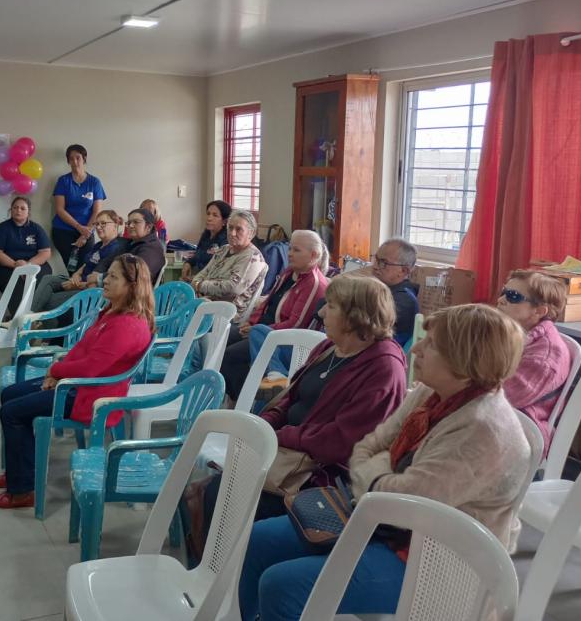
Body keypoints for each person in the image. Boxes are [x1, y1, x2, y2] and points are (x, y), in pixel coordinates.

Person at [238, 304, 531, 620]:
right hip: (382, 524)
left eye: (430, 344)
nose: (416, 348)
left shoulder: (483, 430)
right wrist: (379, 477)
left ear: (464, 358)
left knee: (282, 585)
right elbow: (369, 445)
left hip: (436, 561)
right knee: (258, 540)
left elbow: (404, 506)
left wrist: (374, 475)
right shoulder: (431, 393)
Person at [200, 275, 406, 538]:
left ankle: (223, 570)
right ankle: (212, 568)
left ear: (356, 317)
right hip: (291, 451)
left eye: (330, 306)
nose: (321, 313)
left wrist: (280, 436)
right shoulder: (330, 346)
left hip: (324, 474)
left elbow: (343, 442)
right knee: (212, 486)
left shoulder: (383, 368)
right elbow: (291, 396)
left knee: (223, 493)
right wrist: (268, 422)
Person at [0, 254, 155, 508]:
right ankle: (20, 471)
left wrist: (56, 371)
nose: (105, 280)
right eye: (107, 274)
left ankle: (22, 490)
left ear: (132, 286)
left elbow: (91, 368)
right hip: (77, 385)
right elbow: (82, 350)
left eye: (113, 277)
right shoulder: (111, 313)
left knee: (11, 412)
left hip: (90, 397)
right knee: (10, 394)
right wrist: (56, 373)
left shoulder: (128, 324)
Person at [219, 229, 329, 401]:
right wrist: (251, 322)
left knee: (230, 356)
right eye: (290, 248)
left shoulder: (314, 284)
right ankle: (236, 397)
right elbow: (267, 303)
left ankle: (249, 402)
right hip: (260, 329)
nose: (290, 254)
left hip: (278, 337)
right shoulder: (289, 272)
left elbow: (295, 324)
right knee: (220, 337)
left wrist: (258, 329)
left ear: (313, 255)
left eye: (296, 250)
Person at [497, 269, 572, 454]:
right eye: (503, 292)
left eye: (513, 296)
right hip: (497, 416)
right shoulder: (511, 331)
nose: (501, 300)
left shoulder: (544, 358)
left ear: (539, 311)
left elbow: (501, 399)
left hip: (521, 430)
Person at [31, 209, 125, 313]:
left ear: (115, 225)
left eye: (103, 223)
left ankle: (28, 321)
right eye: (96, 224)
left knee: (49, 301)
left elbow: (97, 280)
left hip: (88, 290)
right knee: (48, 279)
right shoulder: (98, 245)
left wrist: (76, 285)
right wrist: (76, 275)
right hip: (78, 282)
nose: (98, 227)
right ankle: (28, 318)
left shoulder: (116, 248)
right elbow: (86, 264)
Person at [191, 209, 267, 322]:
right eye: (230, 228)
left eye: (239, 229)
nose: (232, 233)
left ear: (251, 233)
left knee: (180, 315)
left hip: (227, 314)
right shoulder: (224, 249)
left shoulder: (252, 257)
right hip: (206, 303)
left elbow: (233, 288)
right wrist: (196, 283)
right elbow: (204, 272)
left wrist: (200, 286)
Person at [0, 196, 53, 314]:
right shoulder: (2, 228)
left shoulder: (36, 229)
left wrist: (27, 266)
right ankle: (19, 320)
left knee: (44, 280)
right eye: (15, 207)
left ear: (28, 211)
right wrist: (16, 265)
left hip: (31, 264)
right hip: (7, 267)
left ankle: (38, 316)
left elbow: (45, 252)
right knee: (16, 282)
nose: (18, 210)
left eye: (22, 208)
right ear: (11, 210)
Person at [51, 144, 106, 268]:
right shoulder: (63, 181)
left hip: (87, 230)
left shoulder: (94, 182)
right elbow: (60, 209)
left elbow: (97, 211)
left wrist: (85, 233)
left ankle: (80, 287)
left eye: (78, 158)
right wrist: (78, 227)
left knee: (86, 267)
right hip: (63, 231)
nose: (75, 162)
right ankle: (73, 287)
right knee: (72, 268)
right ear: (68, 161)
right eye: (71, 159)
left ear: (84, 159)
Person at [88, 208, 166, 286]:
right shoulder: (130, 242)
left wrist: (99, 278)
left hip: (134, 295)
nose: (130, 226)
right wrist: (96, 273)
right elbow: (107, 261)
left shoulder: (152, 249)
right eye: (128, 223)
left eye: (136, 222)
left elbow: (133, 273)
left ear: (148, 227)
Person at [370, 239, 420, 346]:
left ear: (403, 271)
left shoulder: (403, 299)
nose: (374, 266)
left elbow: (365, 325)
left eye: (383, 262)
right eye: (376, 259)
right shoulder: (383, 288)